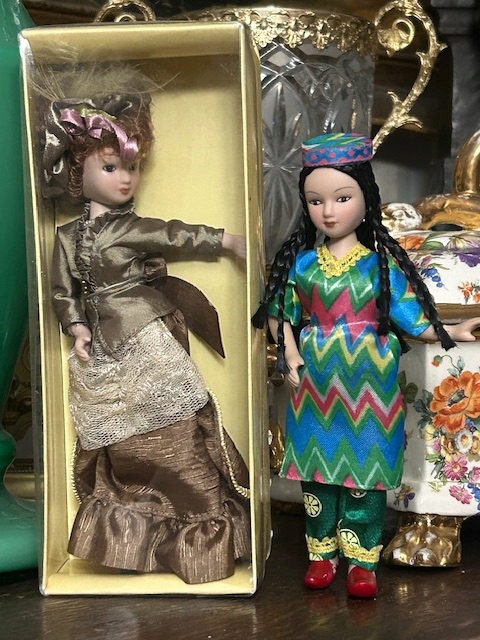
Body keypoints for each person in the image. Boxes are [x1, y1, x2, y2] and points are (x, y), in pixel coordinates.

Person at [252, 132, 480, 598]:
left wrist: (452, 330)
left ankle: (361, 561)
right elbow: (280, 314)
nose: (328, 211)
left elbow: (409, 316)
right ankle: (322, 554)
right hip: (314, 383)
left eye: (342, 198)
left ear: (366, 199)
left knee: (365, 473)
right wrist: (289, 351)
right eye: (316, 201)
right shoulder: (302, 265)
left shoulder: (379, 267)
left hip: (371, 386)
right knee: (317, 473)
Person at [44, 76, 250, 585]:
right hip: (104, 348)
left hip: (146, 335)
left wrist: (226, 240)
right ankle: (132, 534)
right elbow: (62, 290)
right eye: (110, 167)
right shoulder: (66, 237)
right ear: (78, 171)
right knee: (120, 443)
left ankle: (199, 528)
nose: (125, 179)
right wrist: (75, 326)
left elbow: (174, 233)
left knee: (174, 427)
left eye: (132, 167)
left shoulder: (128, 227)